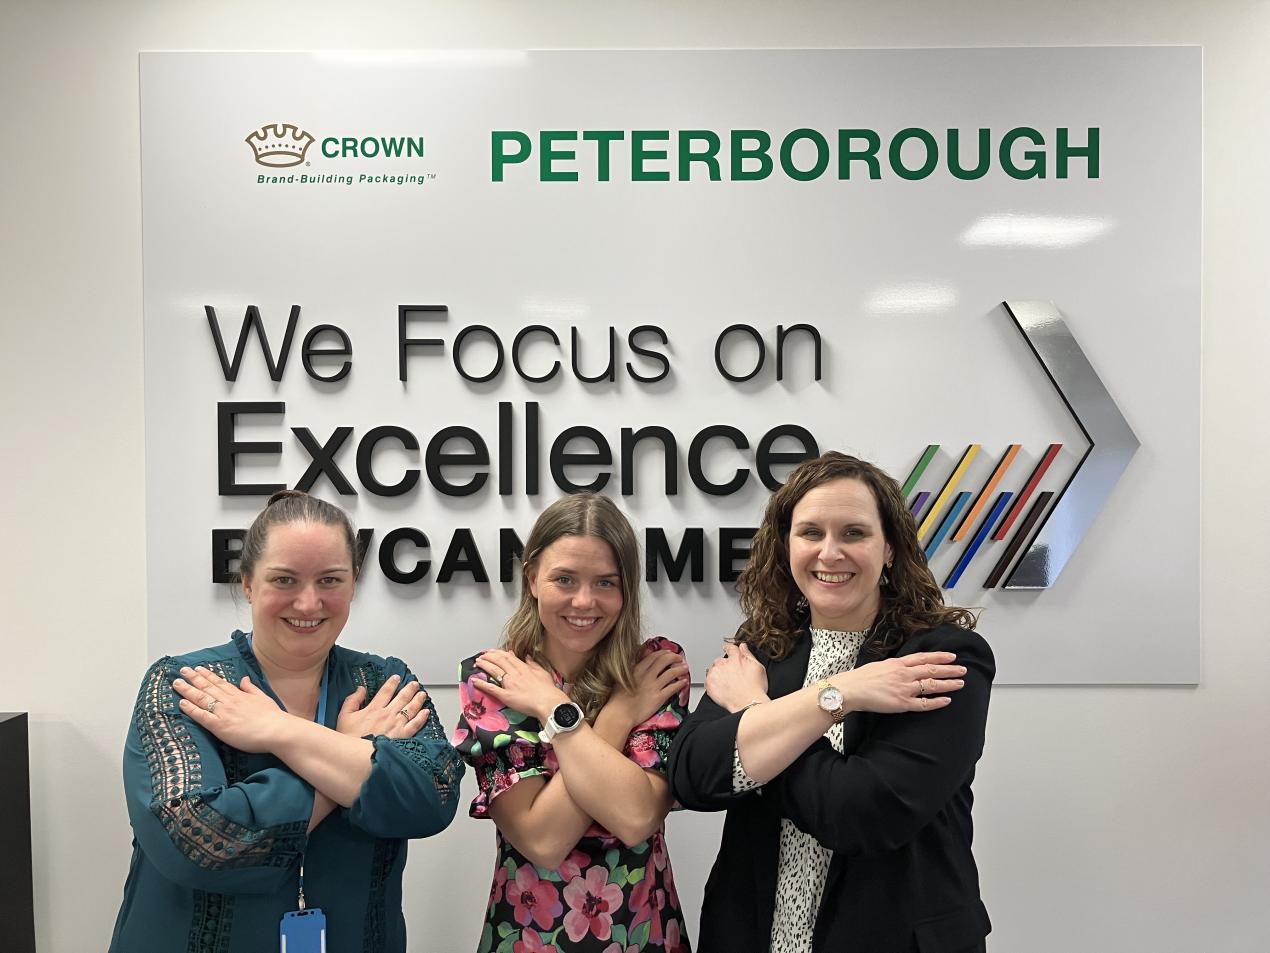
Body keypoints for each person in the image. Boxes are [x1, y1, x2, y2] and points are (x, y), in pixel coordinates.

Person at [667, 452, 994, 953]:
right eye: (811, 532)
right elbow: (693, 777)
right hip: (752, 935)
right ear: (786, 545)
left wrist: (755, 713)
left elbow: (863, 813)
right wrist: (838, 695)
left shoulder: (939, 658)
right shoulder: (763, 646)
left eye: (854, 533)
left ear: (889, 548)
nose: (830, 552)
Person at [110, 490, 463, 953]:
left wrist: (282, 730)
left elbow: (431, 799)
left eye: (330, 580)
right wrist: (344, 751)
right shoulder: (185, 685)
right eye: (285, 579)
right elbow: (202, 843)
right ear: (248, 584)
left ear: (354, 583)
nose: (308, 602)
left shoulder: (383, 682)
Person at [453, 493, 693, 952]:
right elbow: (542, 840)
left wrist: (556, 719)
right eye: (564, 579)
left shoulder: (656, 668)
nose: (585, 601)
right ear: (533, 579)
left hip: (641, 931)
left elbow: (638, 815)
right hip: (529, 936)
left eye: (606, 582)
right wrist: (611, 716)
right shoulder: (496, 681)